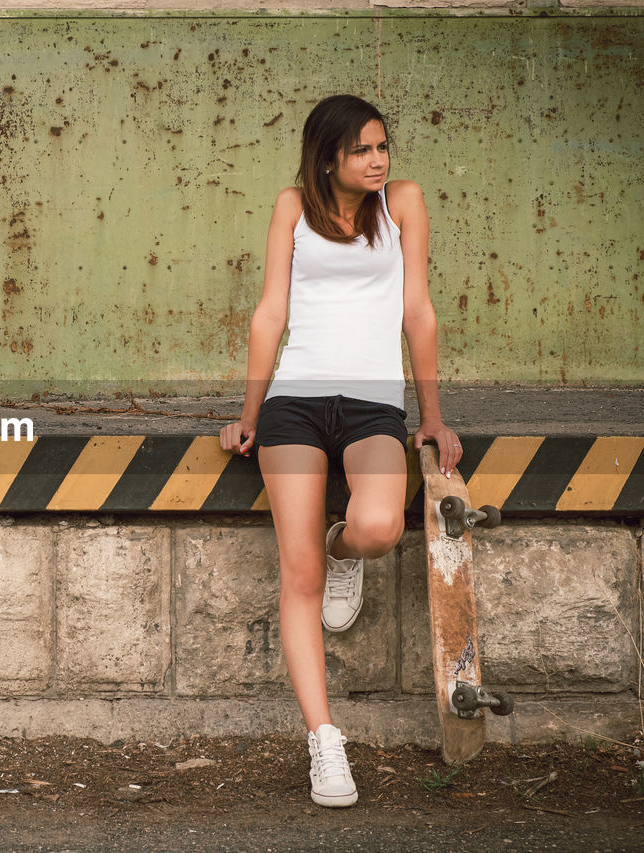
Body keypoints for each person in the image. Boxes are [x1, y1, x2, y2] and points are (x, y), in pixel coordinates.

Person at [218, 94, 462, 808]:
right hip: (295, 401)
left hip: (371, 405)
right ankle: (326, 741)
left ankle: (343, 548)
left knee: (381, 525)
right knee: (298, 577)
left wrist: (433, 416)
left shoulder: (403, 205)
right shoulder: (292, 207)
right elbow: (272, 312)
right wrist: (249, 413)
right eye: (361, 150)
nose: (378, 160)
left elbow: (418, 311)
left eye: (382, 146)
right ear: (329, 157)